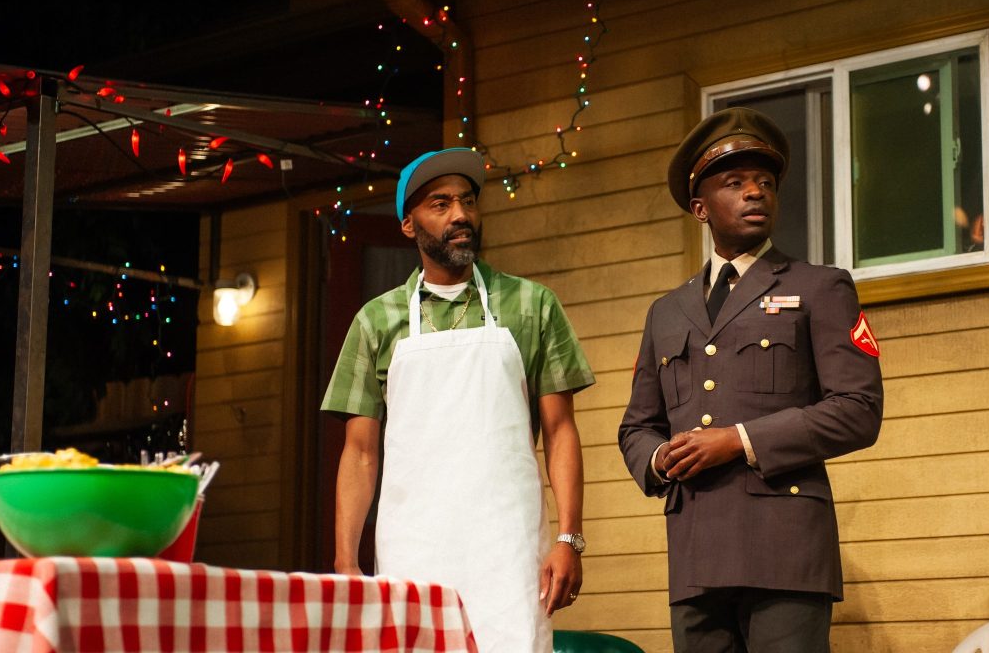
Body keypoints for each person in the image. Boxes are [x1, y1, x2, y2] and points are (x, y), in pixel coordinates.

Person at [618, 108, 884, 652]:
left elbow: (859, 407)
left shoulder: (820, 287)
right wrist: (658, 458)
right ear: (700, 207)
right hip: (694, 552)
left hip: (785, 551)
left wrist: (738, 440)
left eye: (765, 182)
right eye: (734, 183)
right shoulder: (666, 312)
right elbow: (637, 426)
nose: (755, 193)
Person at [322, 147, 594, 653]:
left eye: (467, 201)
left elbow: (560, 431)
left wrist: (568, 537)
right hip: (411, 547)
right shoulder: (376, 321)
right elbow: (359, 452)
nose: (461, 216)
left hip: (508, 547)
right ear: (409, 225)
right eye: (441, 205)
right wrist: (345, 562)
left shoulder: (531, 304)